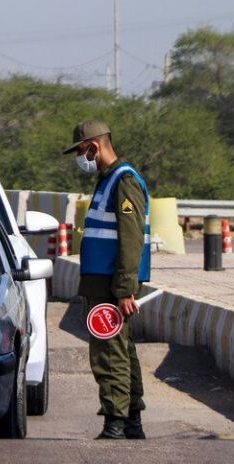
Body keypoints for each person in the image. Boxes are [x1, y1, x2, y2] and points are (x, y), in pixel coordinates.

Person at [63, 120, 151, 440]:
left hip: (111, 284)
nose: (79, 158)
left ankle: (115, 421)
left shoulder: (123, 181)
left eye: (80, 151)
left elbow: (131, 241)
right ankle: (132, 420)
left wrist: (125, 289)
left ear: (94, 146)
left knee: (109, 352)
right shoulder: (108, 180)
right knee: (122, 350)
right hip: (103, 282)